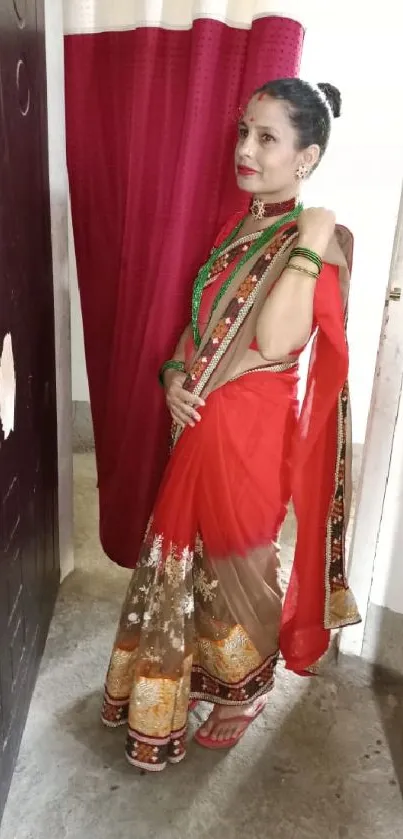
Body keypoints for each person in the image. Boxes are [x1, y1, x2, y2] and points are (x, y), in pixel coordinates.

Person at [101, 78, 360, 772]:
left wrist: (307, 238)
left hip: (249, 429)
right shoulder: (238, 226)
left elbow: (276, 341)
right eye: (243, 131)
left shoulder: (318, 239)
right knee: (190, 560)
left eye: (266, 137)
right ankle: (197, 676)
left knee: (241, 558)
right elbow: (201, 324)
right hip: (200, 417)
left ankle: (245, 692)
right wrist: (175, 377)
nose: (244, 149)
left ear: (305, 157)